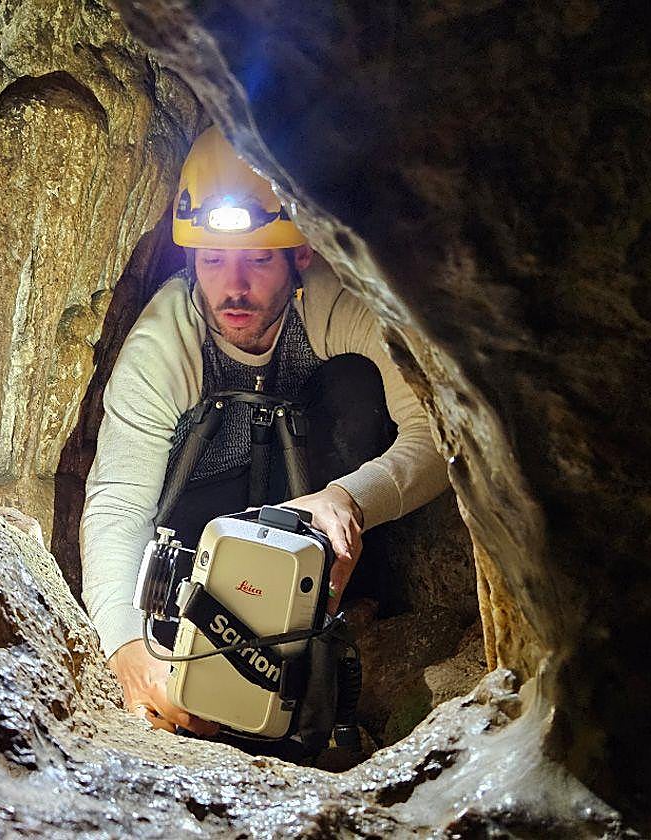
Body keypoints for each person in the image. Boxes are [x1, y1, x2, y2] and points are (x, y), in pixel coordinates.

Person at [80, 126, 449, 735]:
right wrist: (128, 651)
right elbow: (118, 506)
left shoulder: (333, 304)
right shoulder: (165, 345)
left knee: (357, 385)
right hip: (198, 532)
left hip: (306, 510)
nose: (234, 287)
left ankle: (345, 612)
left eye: (256, 259)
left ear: (300, 255)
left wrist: (348, 500)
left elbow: (441, 432)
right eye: (212, 260)